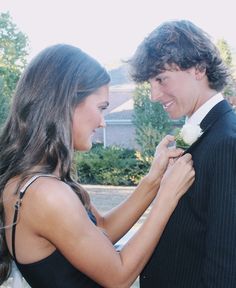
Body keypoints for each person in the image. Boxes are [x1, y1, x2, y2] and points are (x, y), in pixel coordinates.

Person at [0, 43, 195, 288]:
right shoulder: (46, 194)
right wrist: (167, 197)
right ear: (66, 103)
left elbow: (103, 230)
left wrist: (153, 180)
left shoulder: (34, 180)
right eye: (101, 108)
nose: (103, 123)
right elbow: (119, 276)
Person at [129, 19, 236, 287]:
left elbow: (225, 264)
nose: (154, 94)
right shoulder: (200, 131)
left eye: (161, 79)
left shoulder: (227, 142)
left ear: (198, 68)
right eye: (150, 83)